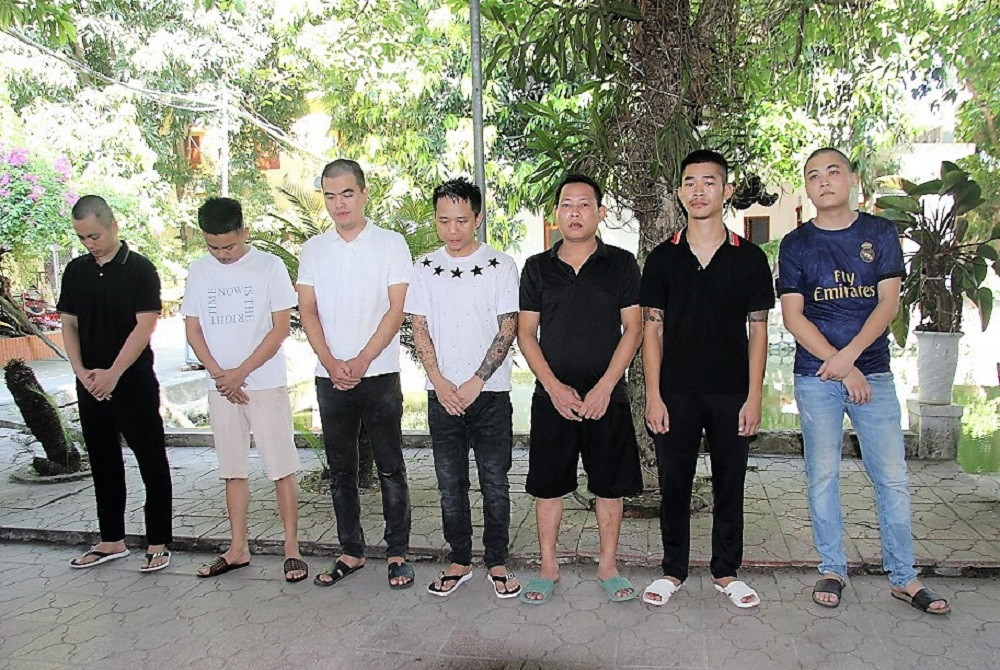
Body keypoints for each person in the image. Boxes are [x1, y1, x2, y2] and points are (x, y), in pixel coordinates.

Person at [777, 147, 950, 614]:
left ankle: (904, 576)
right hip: (816, 376)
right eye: (813, 175)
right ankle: (832, 569)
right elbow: (793, 317)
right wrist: (840, 365)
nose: (824, 181)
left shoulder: (879, 233)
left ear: (851, 178)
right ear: (807, 187)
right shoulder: (795, 244)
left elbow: (888, 303)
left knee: (891, 476)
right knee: (823, 475)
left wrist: (852, 360)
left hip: (872, 373)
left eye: (833, 171)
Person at [639, 150, 775, 609]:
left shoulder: (749, 258)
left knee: (729, 484)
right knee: (674, 486)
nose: (699, 191)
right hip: (675, 392)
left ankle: (726, 571)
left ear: (726, 191)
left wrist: (754, 396)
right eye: (690, 182)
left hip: (732, 392)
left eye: (709, 182)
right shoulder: (663, 258)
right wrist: (654, 395)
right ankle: (673, 570)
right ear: (680, 192)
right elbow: (652, 330)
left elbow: (759, 330)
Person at [517, 174, 643, 604]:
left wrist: (607, 386)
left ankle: (608, 565)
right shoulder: (536, 267)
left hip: (607, 396)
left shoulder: (621, 264)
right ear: (556, 214)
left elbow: (633, 328)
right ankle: (547, 567)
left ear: (600, 213)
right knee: (548, 486)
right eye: (567, 205)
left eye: (584, 204)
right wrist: (553, 387)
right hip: (552, 398)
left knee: (609, 486)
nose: (575, 212)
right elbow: (526, 334)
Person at [297, 159, 415, 589]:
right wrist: (330, 362)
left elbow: (396, 309)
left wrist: (363, 360)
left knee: (390, 468)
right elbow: (307, 310)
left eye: (347, 193)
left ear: (364, 193)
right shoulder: (314, 249)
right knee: (341, 471)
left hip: (379, 374)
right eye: (330, 196)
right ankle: (351, 550)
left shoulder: (391, 244)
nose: (339, 204)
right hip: (330, 377)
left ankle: (397, 552)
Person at [405, 178, 521, 598]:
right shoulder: (423, 267)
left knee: (495, 482)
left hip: (490, 394)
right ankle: (459, 559)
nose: (452, 230)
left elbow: (509, 327)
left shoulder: (501, 265)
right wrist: (439, 382)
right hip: (443, 395)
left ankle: (497, 561)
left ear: (478, 218)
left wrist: (477, 380)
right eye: (443, 220)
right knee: (449, 484)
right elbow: (418, 327)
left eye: (461, 220)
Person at [181, 197, 307, 583]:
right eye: (213, 247)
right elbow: (193, 329)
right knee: (232, 468)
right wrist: (221, 375)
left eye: (229, 246)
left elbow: (281, 328)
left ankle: (292, 548)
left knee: (281, 466)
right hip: (221, 387)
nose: (222, 254)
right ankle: (238, 547)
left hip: (264, 383)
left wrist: (241, 373)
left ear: (244, 232)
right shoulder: (199, 271)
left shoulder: (269, 266)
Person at [58, 195, 172, 572]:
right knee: (103, 461)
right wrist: (81, 372)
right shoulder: (75, 271)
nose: (89, 244)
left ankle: (158, 542)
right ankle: (111, 540)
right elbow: (69, 324)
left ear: (113, 227)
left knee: (151, 460)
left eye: (95, 235)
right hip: (90, 383)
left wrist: (113, 373)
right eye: (82, 238)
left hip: (133, 382)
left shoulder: (140, 269)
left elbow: (145, 325)